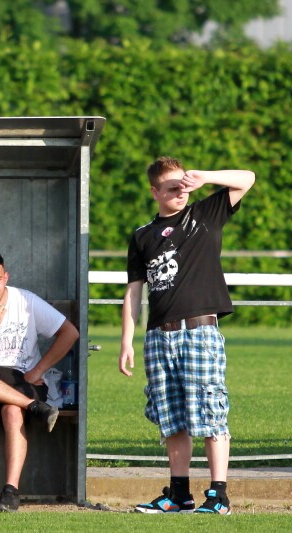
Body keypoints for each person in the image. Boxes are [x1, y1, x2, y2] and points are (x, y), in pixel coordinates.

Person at [119, 157, 255, 516]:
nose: (180, 192)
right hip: (159, 337)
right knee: (171, 416)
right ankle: (179, 494)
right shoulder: (142, 235)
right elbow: (134, 290)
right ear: (154, 192)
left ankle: (218, 495)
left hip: (199, 331)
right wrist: (126, 340)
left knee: (210, 410)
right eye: (172, 187)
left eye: (183, 185)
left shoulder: (205, 213)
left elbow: (247, 178)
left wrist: (205, 177)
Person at [0, 250, 79, 512]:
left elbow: (70, 333)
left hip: (22, 378)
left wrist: (39, 369)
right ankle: (34, 407)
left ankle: (10, 492)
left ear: (6, 276)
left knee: (12, 409)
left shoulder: (25, 301)